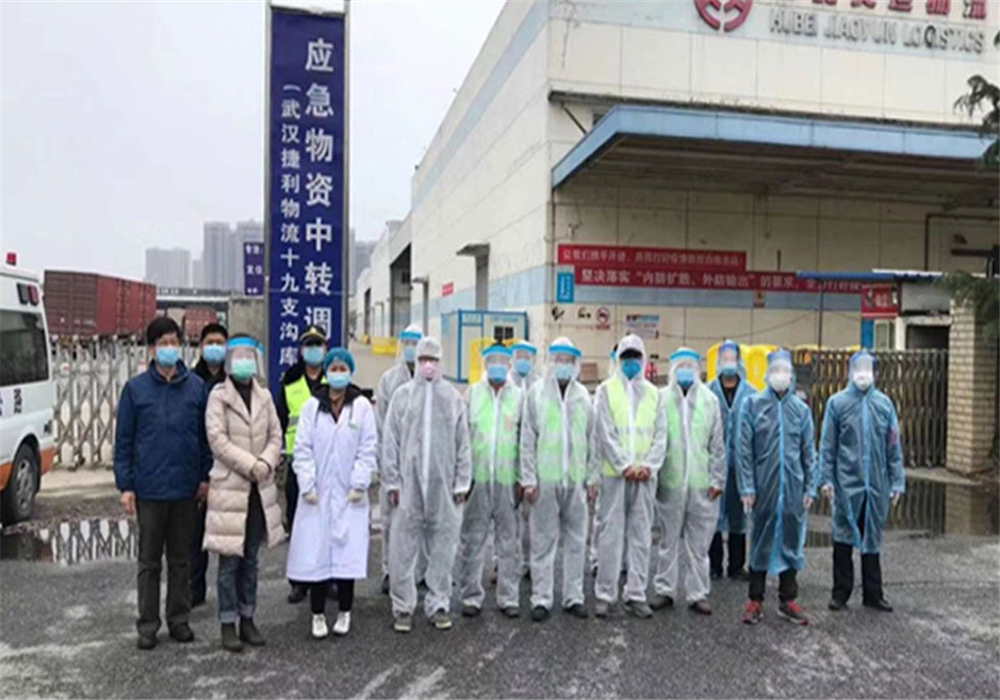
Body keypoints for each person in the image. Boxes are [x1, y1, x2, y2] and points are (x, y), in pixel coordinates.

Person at [113, 317, 211, 650]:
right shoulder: (136, 390)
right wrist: (126, 486)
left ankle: (179, 620)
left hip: (185, 488)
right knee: (149, 562)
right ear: (152, 349)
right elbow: (124, 442)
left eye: (174, 342)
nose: (169, 348)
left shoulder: (195, 388)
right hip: (150, 489)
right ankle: (148, 625)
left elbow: (204, 439)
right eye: (162, 343)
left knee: (182, 559)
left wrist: (204, 477)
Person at [286, 348, 377, 639]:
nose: (338, 373)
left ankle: (345, 611)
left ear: (350, 371)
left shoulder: (361, 407)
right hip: (318, 494)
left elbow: (368, 448)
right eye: (334, 368)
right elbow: (302, 448)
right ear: (327, 372)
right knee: (317, 553)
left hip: (350, 494)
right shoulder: (313, 407)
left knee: (347, 555)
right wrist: (307, 485)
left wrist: (359, 483)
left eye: (343, 368)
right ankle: (317, 614)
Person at [382, 336, 471, 632]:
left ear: (440, 362)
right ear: (416, 362)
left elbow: (463, 443)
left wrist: (462, 483)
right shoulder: (402, 397)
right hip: (407, 487)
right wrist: (392, 481)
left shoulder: (453, 398)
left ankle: (439, 603)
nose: (428, 365)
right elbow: (391, 442)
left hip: (443, 487)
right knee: (403, 547)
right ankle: (403, 607)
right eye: (423, 360)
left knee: (443, 546)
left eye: (433, 360)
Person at [203, 335, 286, 652]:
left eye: (248, 357)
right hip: (230, 488)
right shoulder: (218, 397)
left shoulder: (264, 396)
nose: (244, 363)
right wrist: (252, 465)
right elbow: (217, 440)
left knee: (251, 559)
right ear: (229, 362)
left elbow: (276, 435)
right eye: (238, 358)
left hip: (258, 489)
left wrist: (265, 461)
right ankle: (227, 623)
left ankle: (248, 618)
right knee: (229, 562)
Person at [737, 350, 818, 626]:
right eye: (776, 370)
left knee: (791, 538)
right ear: (767, 373)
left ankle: (788, 599)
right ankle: (755, 599)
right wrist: (747, 486)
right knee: (761, 538)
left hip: (793, 486)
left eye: (785, 370)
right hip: (764, 485)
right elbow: (744, 450)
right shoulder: (753, 405)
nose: (780, 376)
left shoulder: (801, 410)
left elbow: (809, 452)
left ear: (791, 374)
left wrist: (810, 487)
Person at [820, 350, 904, 613]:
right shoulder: (837, 404)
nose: (864, 374)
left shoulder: (884, 405)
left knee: (872, 538)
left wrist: (897, 481)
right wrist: (826, 479)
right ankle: (840, 593)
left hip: (876, 486)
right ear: (851, 371)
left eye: (869, 369)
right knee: (843, 538)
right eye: (860, 368)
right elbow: (828, 446)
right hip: (846, 484)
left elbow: (893, 446)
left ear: (876, 372)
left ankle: (873, 593)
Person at [592, 334, 667, 618]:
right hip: (615, 475)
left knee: (641, 536)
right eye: (626, 357)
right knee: (610, 535)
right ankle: (605, 594)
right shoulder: (605, 391)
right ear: (618, 360)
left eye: (636, 357)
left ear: (643, 359)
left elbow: (661, 435)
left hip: (645, 478)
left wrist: (649, 465)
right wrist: (624, 465)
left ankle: (636, 593)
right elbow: (605, 432)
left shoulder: (654, 394)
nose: (631, 362)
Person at [520, 337, 593, 622]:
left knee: (577, 540)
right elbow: (527, 441)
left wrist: (593, 478)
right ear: (551, 362)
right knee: (542, 540)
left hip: (576, 480)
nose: (563, 365)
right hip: (545, 481)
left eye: (568, 360)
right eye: (558, 360)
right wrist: (528, 479)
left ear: (575, 363)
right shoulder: (537, 395)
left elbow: (593, 440)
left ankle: (574, 596)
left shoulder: (583, 397)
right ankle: (541, 598)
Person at [651, 347, 725, 615]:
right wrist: (654, 477)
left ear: (697, 369)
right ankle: (665, 590)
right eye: (680, 366)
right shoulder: (661, 399)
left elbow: (717, 445)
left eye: (689, 366)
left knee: (699, 544)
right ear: (673, 369)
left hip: (700, 484)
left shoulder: (709, 400)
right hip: (670, 482)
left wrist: (717, 479)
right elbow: (655, 441)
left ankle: (697, 593)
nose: (685, 371)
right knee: (667, 541)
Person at [455, 344, 523, 618]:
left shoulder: (518, 397)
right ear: (484, 364)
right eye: (492, 360)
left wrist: (522, 478)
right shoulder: (472, 395)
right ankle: (471, 596)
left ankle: (509, 597)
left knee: (509, 541)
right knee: (472, 539)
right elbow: (462, 439)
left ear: (509, 365)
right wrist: (463, 478)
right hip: (478, 479)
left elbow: (524, 441)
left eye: (502, 361)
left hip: (507, 480)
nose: (497, 365)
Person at [276, 324, 328, 604]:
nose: (313, 350)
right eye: (309, 345)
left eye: (318, 344)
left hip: (329, 464)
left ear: (325, 349)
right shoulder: (290, 382)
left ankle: (329, 579)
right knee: (298, 522)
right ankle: (299, 581)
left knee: (327, 523)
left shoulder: (335, 378)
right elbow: (280, 420)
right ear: (301, 349)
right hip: (298, 464)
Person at [374, 323, 423, 595]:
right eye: (408, 342)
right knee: (391, 521)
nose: (411, 348)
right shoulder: (389, 381)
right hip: (393, 461)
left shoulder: (431, 382)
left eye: (416, 343)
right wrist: (385, 465)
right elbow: (381, 427)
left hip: (421, 465)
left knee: (421, 521)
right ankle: (389, 571)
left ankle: (419, 571)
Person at [707, 340, 757, 581]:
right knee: (713, 513)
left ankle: (736, 566)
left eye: (732, 358)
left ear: (739, 361)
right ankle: (713, 565)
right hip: (714, 463)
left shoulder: (751, 394)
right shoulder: (708, 392)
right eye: (724, 358)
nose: (729, 362)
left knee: (739, 514)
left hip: (741, 465)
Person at [190, 322, 228, 608]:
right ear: (201, 346)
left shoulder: (234, 381)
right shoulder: (191, 382)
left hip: (228, 466)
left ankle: (230, 596)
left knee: (228, 534)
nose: (215, 347)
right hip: (198, 466)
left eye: (220, 342)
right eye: (210, 342)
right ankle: (195, 589)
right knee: (194, 535)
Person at [508, 340, 538, 579]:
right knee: (507, 520)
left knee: (532, 520)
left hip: (533, 464)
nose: (523, 361)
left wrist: (528, 474)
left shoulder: (539, 388)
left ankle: (529, 562)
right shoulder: (507, 388)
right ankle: (502, 564)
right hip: (507, 463)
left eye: (527, 357)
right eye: (519, 356)